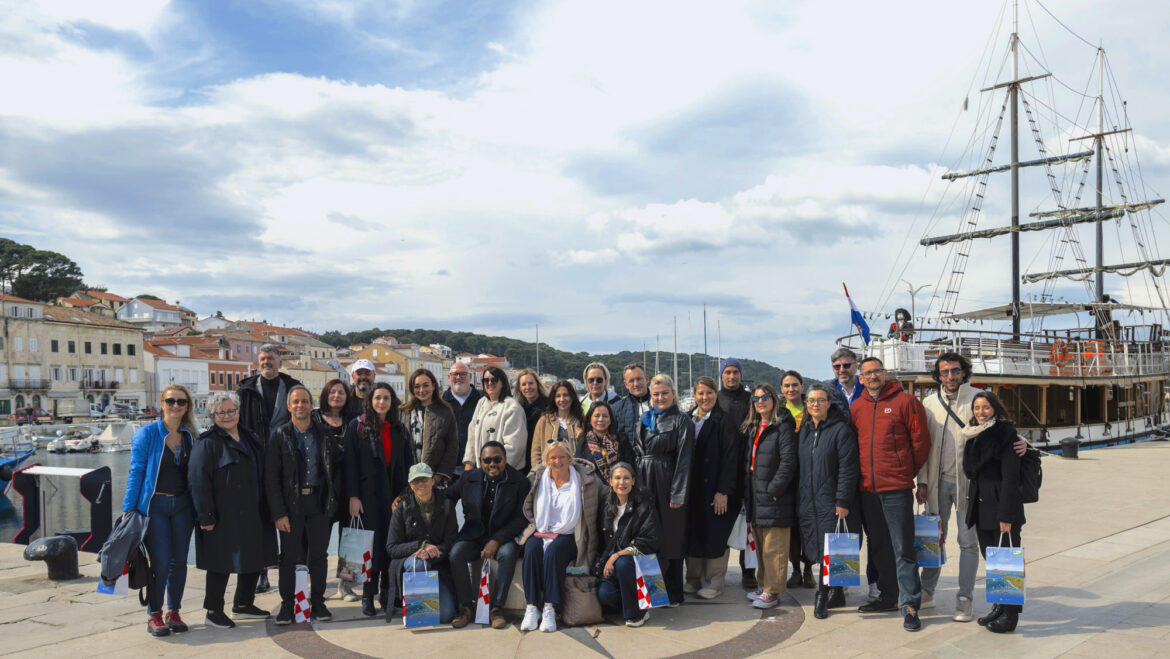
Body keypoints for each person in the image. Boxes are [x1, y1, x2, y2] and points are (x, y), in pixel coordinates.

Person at [919, 353, 1030, 619]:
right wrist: (922, 480)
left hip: (969, 485)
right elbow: (922, 444)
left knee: (967, 541)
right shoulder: (928, 403)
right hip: (936, 482)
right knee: (933, 539)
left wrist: (1023, 441)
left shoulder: (977, 398)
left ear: (963, 372)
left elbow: (999, 425)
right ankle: (926, 591)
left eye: (955, 371)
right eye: (944, 372)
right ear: (938, 374)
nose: (950, 376)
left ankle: (964, 597)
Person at [851, 356, 931, 632]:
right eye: (867, 373)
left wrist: (906, 472)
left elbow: (921, 443)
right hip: (867, 489)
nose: (872, 377)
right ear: (860, 379)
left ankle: (910, 605)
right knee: (879, 547)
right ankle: (888, 595)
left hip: (895, 487)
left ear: (885, 374)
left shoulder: (906, 402)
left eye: (876, 371)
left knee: (903, 548)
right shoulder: (857, 406)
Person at [189, 391, 275, 629]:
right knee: (220, 563)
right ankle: (213, 610)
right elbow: (198, 481)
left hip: (253, 510)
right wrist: (205, 515)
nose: (226, 416)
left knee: (254, 557)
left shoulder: (250, 437)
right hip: (222, 514)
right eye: (220, 412)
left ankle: (244, 604)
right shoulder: (207, 443)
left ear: (238, 412)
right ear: (212, 415)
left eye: (231, 411)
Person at [123, 384, 198, 637]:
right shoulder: (147, 435)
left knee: (180, 562)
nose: (175, 406)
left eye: (181, 402)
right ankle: (154, 615)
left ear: (188, 405)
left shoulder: (190, 436)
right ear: (161, 404)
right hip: (155, 506)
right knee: (161, 562)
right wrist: (128, 508)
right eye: (170, 401)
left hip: (184, 507)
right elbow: (136, 473)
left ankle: (174, 611)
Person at [265, 386, 336, 625]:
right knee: (288, 558)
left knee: (319, 556)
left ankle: (318, 603)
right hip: (290, 506)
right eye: (296, 402)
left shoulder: (324, 433)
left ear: (311, 405)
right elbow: (271, 478)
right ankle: (287, 606)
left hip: (318, 502)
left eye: (305, 401)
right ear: (288, 406)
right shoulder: (279, 435)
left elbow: (332, 471)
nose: (300, 406)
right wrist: (278, 513)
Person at [344, 382, 415, 617]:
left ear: (391, 402)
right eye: (377, 398)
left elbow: (407, 465)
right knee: (368, 548)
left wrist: (404, 495)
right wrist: (353, 496)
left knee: (389, 546)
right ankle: (367, 596)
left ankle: (388, 593)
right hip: (366, 497)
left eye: (386, 398)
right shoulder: (358, 427)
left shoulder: (399, 429)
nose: (381, 402)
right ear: (370, 401)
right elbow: (349, 465)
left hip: (393, 497)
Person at [518, 443, 603, 633]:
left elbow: (606, 493)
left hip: (570, 534)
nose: (557, 461)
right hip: (542, 530)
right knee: (531, 549)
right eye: (553, 457)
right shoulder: (538, 478)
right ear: (547, 460)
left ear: (569, 458)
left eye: (562, 457)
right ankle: (532, 607)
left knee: (554, 553)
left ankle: (550, 607)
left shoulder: (584, 479)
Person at [447, 441, 531, 629]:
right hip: (473, 535)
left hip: (503, 537)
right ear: (481, 461)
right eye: (487, 460)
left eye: (497, 459)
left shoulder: (520, 481)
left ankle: (496, 608)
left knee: (509, 554)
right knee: (456, 553)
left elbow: (521, 518)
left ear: (505, 459)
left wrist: (497, 540)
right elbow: (446, 497)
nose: (492, 463)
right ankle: (466, 607)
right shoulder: (468, 478)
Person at [236, 343, 299, 593]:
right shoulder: (246, 390)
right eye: (262, 359)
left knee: (287, 515)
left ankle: (292, 567)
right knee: (259, 520)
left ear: (279, 362)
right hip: (255, 459)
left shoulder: (293, 386)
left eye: (270, 359)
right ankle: (261, 571)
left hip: (286, 459)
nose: (266, 363)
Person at [963, 391, 1026, 634]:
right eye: (977, 408)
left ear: (996, 409)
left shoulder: (1005, 434)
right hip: (981, 507)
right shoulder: (974, 433)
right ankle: (999, 606)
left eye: (986, 408)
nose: (980, 412)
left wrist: (1006, 516)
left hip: (1001, 508)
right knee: (994, 562)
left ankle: (1010, 617)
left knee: (1008, 564)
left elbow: (1011, 478)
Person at [797, 384, 859, 619]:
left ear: (829, 403)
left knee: (828, 549)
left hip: (830, 499)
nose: (815, 404)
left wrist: (842, 500)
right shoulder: (803, 430)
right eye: (811, 400)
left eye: (820, 400)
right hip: (807, 499)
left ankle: (821, 595)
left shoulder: (841, 430)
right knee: (815, 546)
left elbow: (848, 469)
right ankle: (837, 591)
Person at [633, 373, 693, 606]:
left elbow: (684, 460)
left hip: (667, 482)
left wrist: (678, 493)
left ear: (673, 394)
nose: (660, 397)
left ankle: (674, 593)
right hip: (644, 481)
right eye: (655, 394)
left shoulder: (682, 420)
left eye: (664, 393)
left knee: (671, 538)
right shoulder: (645, 419)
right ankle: (654, 594)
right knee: (648, 536)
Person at [683, 376, 741, 600]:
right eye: (700, 393)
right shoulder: (688, 418)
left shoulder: (724, 421)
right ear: (695, 395)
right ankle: (693, 578)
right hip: (693, 489)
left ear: (716, 394)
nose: (704, 397)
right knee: (694, 534)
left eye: (709, 393)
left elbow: (731, 459)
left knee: (715, 535)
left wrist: (723, 491)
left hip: (715, 488)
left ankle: (714, 582)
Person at [742, 384, 797, 610]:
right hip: (756, 491)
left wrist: (775, 490)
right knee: (762, 544)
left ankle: (773, 591)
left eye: (765, 397)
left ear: (774, 399)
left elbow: (788, 462)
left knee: (775, 546)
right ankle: (764, 584)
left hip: (774, 493)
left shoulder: (782, 425)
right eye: (756, 399)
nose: (760, 401)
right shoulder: (754, 426)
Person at [386, 463, 459, 624]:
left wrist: (438, 550)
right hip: (411, 561)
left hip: (438, 564)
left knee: (446, 616)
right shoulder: (402, 507)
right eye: (415, 481)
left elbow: (452, 538)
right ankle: (415, 609)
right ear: (411, 486)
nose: (420, 484)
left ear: (432, 481)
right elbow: (391, 548)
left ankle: (427, 607)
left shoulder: (446, 505)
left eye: (424, 479)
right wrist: (421, 546)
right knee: (418, 564)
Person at [596, 462, 660, 628]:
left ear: (633, 480)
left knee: (623, 563)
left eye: (626, 478)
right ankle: (633, 602)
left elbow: (650, 540)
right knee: (605, 596)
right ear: (610, 481)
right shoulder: (606, 505)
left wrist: (617, 555)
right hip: (614, 567)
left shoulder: (644, 505)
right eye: (617, 478)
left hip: (641, 565)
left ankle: (637, 614)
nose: (621, 483)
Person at [314, 378, 357, 602]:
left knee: (350, 540)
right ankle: (316, 589)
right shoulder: (315, 419)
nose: (336, 396)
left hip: (348, 489)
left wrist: (355, 494)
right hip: (322, 492)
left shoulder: (352, 421)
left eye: (341, 392)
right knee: (318, 543)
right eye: (332, 392)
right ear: (325, 395)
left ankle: (345, 586)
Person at [716, 357, 755, 590]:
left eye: (735, 372)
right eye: (727, 373)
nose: (731, 376)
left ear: (740, 374)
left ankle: (748, 570)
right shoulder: (716, 399)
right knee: (724, 520)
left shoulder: (750, 399)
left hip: (748, 466)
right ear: (721, 375)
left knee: (749, 522)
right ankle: (719, 571)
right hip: (723, 467)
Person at [780, 370, 814, 590]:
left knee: (808, 526)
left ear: (802, 387)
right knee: (791, 528)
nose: (791, 389)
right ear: (781, 389)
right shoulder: (778, 412)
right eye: (786, 386)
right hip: (787, 478)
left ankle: (810, 569)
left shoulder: (811, 409)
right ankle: (795, 570)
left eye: (795, 385)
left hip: (809, 475)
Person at [463, 365, 527, 471]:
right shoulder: (481, 403)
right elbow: (472, 436)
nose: (489, 383)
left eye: (494, 380)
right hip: (481, 471)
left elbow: (515, 446)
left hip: (503, 471)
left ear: (502, 382)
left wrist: (496, 468)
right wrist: (469, 463)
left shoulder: (512, 407)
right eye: (486, 380)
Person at [401, 368, 460, 481]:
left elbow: (452, 448)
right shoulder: (403, 412)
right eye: (417, 386)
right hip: (408, 478)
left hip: (434, 479)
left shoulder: (446, 412)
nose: (421, 390)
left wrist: (438, 477)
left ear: (433, 386)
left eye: (425, 385)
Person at [575, 400, 634, 482]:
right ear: (590, 419)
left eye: (605, 416)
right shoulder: (583, 444)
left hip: (619, 487)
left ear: (610, 420)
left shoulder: (621, 439)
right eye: (597, 416)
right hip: (595, 490)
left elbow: (630, 466)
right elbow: (579, 471)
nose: (601, 419)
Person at [530, 380, 584, 469]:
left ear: (572, 397)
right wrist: (538, 472)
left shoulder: (581, 421)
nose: (562, 399)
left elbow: (587, 451)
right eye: (558, 396)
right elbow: (536, 452)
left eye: (565, 395)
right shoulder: (544, 421)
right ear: (553, 399)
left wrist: (582, 438)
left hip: (575, 473)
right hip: (548, 473)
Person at [443, 361, 483, 476]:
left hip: (477, 467)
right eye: (455, 374)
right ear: (449, 377)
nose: (458, 377)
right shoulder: (441, 403)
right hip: (448, 469)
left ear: (470, 377)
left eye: (463, 374)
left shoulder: (482, 400)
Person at [515, 368, 548, 473]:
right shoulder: (518, 407)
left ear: (537, 384)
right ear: (519, 388)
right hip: (523, 460)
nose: (527, 387)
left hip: (542, 457)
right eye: (524, 384)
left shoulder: (548, 405)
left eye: (531, 383)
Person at [611, 363, 651, 447]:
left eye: (639, 379)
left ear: (647, 379)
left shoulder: (660, 405)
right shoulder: (615, 409)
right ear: (626, 384)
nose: (636, 384)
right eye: (631, 381)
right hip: (629, 459)